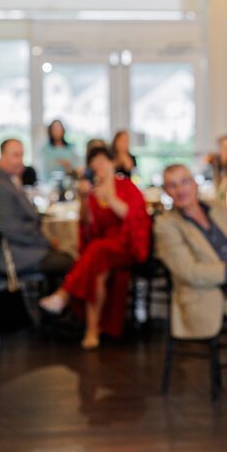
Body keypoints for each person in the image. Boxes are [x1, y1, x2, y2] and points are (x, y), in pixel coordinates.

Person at [38, 147, 151, 349]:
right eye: (94, 163)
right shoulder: (92, 192)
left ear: (112, 163)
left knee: (96, 251)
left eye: (102, 161)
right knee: (96, 267)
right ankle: (92, 330)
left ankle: (64, 294)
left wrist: (110, 198)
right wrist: (83, 198)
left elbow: (133, 217)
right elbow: (87, 225)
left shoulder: (126, 187)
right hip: (103, 249)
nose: (99, 166)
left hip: (126, 245)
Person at [153, 164, 227, 341]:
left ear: (195, 184)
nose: (180, 190)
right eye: (172, 185)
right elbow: (190, 272)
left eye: (184, 182)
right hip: (211, 294)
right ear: (166, 191)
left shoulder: (218, 208)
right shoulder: (165, 225)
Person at [0, 139, 73, 290]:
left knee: (69, 256)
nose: (20, 161)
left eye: (21, 155)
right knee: (70, 262)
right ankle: (56, 304)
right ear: (2, 155)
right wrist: (46, 243)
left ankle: (55, 300)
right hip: (16, 253)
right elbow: (12, 230)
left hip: (25, 246)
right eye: (15, 155)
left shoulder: (7, 179)